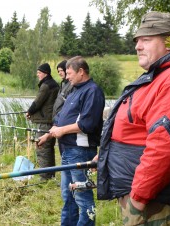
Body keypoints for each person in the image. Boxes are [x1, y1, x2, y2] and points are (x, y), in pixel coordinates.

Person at [95, 11, 170, 225]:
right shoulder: (158, 76)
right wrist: (106, 156)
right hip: (145, 200)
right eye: (137, 40)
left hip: (156, 206)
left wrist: (138, 200)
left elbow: (164, 147)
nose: (137, 46)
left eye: (146, 39)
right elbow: (133, 128)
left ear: (169, 43)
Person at [38, 56, 105, 226]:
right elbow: (61, 118)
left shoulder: (93, 91)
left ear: (81, 72)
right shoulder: (74, 90)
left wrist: (61, 130)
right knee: (68, 196)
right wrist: (49, 134)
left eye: (69, 73)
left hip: (81, 151)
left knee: (82, 197)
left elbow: (87, 124)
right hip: (67, 150)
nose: (66, 77)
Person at [26, 62, 59, 181]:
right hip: (51, 120)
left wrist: (29, 112)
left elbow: (37, 102)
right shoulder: (54, 84)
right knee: (49, 148)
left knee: (42, 147)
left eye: (39, 73)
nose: (37, 75)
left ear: (45, 73)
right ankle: (50, 175)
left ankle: (45, 177)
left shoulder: (46, 85)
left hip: (45, 121)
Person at [52, 60, 74, 155]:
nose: (60, 73)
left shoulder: (71, 85)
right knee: (63, 154)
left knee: (66, 153)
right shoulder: (63, 84)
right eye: (58, 71)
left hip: (65, 124)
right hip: (58, 123)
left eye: (61, 70)